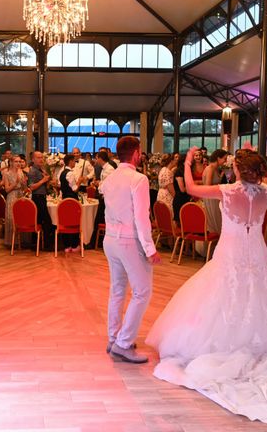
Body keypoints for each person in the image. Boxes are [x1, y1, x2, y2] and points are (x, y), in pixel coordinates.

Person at [146, 147, 267, 428]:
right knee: (260, 300)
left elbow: (190, 187)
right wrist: (251, 157)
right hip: (256, 255)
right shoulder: (265, 190)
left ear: (238, 170)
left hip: (230, 254)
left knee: (222, 299)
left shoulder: (227, 190)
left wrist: (188, 162)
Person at [100, 136, 160, 364]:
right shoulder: (139, 179)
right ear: (136, 153)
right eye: (140, 151)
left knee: (117, 290)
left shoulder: (110, 177)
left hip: (111, 239)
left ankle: (114, 337)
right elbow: (142, 217)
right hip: (129, 240)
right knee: (142, 291)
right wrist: (150, 248)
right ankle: (123, 343)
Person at [27, 151, 54, 250]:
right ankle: (46, 245)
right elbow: (31, 187)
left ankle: (37, 244)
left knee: (39, 221)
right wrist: (43, 180)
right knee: (47, 221)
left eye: (42, 157)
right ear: (33, 159)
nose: (41, 159)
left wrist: (48, 181)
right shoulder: (32, 171)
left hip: (42, 197)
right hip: (37, 198)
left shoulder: (40, 170)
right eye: (38, 157)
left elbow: (44, 184)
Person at [3, 156, 27, 248]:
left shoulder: (21, 172)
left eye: (19, 161)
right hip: (12, 196)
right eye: (16, 161)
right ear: (11, 163)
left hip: (20, 196)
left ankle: (22, 241)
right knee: (11, 218)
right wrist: (15, 183)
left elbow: (24, 189)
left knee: (21, 217)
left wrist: (24, 184)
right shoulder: (7, 173)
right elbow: (7, 190)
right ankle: (11, 241)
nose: (18, 163)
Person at [202, 149, 228, 233]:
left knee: (219, 222)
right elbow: (207, 186)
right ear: (218, 158)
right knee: (215, 224)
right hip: (211, 200)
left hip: (215, 198)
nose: (225, 161)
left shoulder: (216, 169)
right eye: (224, 158)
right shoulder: (210, 168)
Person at [172, 155, 191, 224]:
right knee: (179, 222)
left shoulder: (186, 171)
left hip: (185, 198)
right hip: (180, 199)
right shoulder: (179, 172)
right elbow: (182, 189)